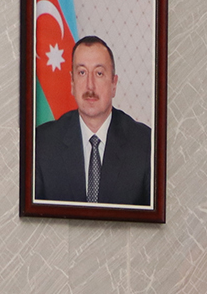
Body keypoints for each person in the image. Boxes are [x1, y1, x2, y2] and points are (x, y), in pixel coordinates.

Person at [32, 35, 152, 206]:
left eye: (99, 73)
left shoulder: (145, 144)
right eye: (82, 73)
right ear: (72, 83)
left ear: (114, 84)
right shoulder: (42, 143)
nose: (90, 85)